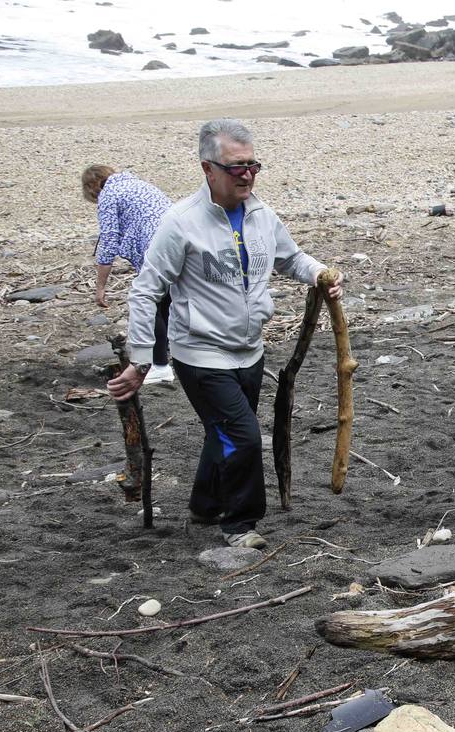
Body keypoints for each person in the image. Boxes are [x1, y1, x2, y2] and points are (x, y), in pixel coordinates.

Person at [106, 118, 343, 550]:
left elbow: (291, 259)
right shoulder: (181, 222)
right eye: (236, 167)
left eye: (253, 165)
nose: (247, 175)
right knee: (244, 436)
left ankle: (203, 504)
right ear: (208, 169)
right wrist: (141, 359)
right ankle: (241, 523)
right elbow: (146, 289)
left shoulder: (261, 215)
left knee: (224, 433)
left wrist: (320, 274)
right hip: (200, 354)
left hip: (249, 350)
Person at [83, 165, 175, 384]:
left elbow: (108, 241)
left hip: (155, 249)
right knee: (169, 305)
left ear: (93, 186)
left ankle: (160, 366)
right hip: (179, 244)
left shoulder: (108, 194)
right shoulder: (140, 185)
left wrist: (100, 287)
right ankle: (177, 359)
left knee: (149, 305)